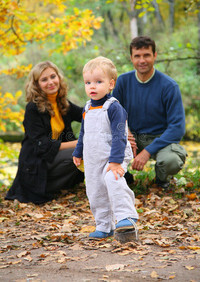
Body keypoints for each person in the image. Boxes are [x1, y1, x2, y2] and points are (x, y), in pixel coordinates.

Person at [73, 56, 138, 239]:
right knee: (95, 190)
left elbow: (120, 135)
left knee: (112, 179)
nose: (92, 86)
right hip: (93, 157)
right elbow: (83, 133)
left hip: (114, 155)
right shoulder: (87, 108)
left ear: (111, 84)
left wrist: (116, 161)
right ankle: (104, 225)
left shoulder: (114, 108)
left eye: (98, 82)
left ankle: (127, 216)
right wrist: (78, 152)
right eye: (88, 82)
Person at [113, 36, 187, 189]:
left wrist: (147, 152)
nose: (142, 60)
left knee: (171, 161)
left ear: (155, 55)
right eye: (137, 56)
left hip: (160, 139)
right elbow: (113, 113)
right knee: (103, 142)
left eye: (146, 55)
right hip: (132, 137)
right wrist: (125, 131)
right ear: (131, 58)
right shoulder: (122, 81)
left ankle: (161, 179)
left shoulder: (169, 86)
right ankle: (125, 177)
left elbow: (177, 128)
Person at [5, 61, 84, 204]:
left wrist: (104, 107)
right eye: (44, 79)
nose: (50, 82)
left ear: (58, 78)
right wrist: (78, 143)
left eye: (53, 76)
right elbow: (44, 145)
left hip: (51, 159)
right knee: (80, 150)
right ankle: (45, 188)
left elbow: (85, 115)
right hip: (36, 163)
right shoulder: (32, 109)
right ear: (36, 85)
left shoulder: (62, 103)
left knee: (85, 148)